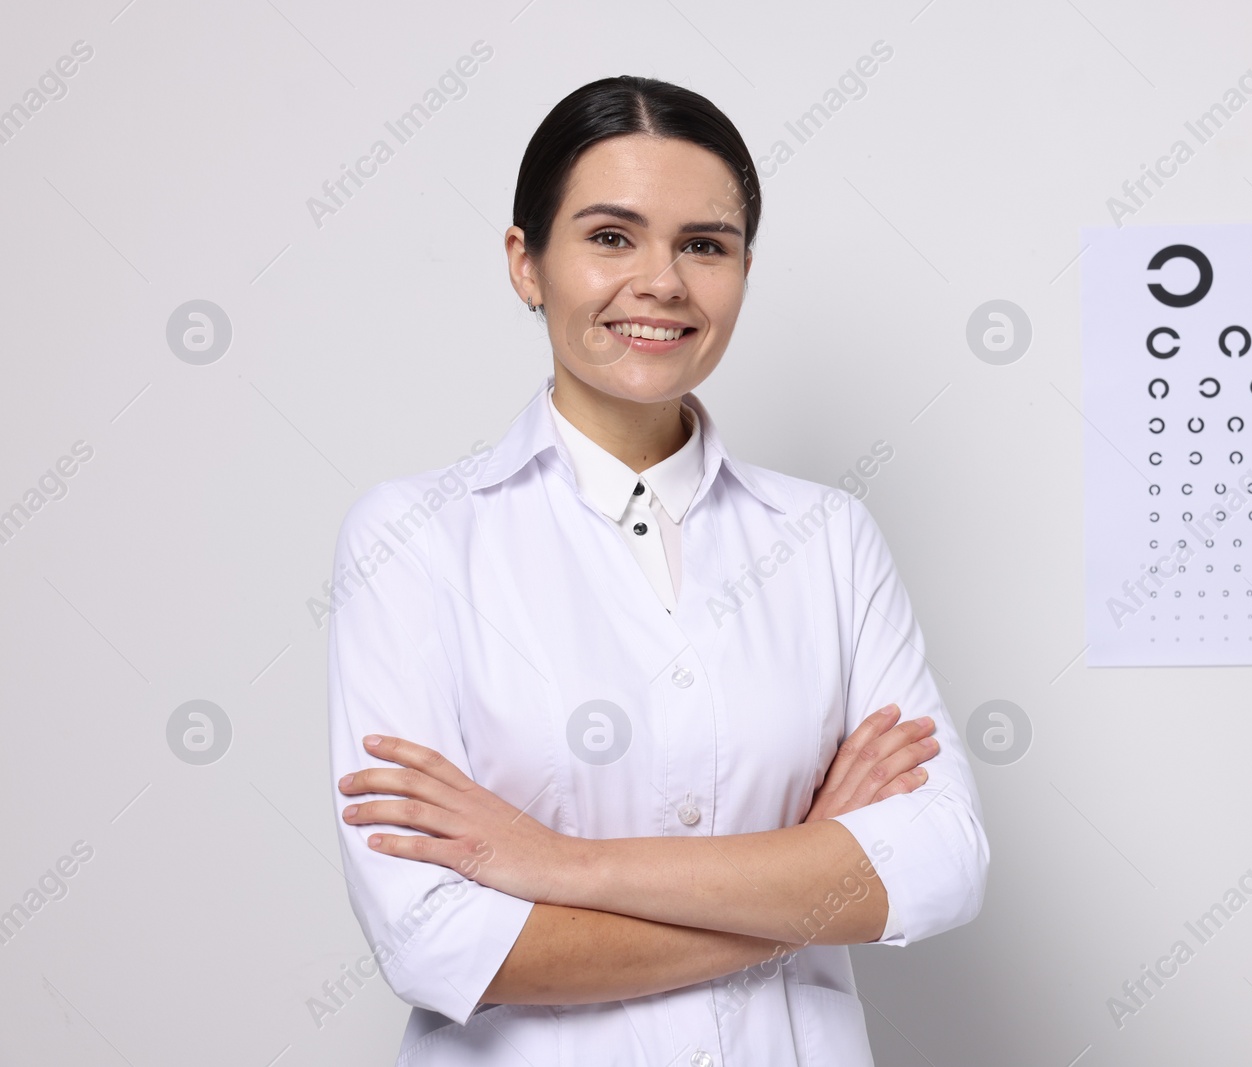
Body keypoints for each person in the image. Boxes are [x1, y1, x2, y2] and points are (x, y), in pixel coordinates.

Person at [326, 74, 989, 1066]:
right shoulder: (414, 537)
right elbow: (434, 940)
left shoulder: (827, 536)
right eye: (609, 236)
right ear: (526, 262)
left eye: (704, 245)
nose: (662, 281)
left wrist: (559, 864)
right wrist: (811, 875)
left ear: (742, 270)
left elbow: (942, 866)